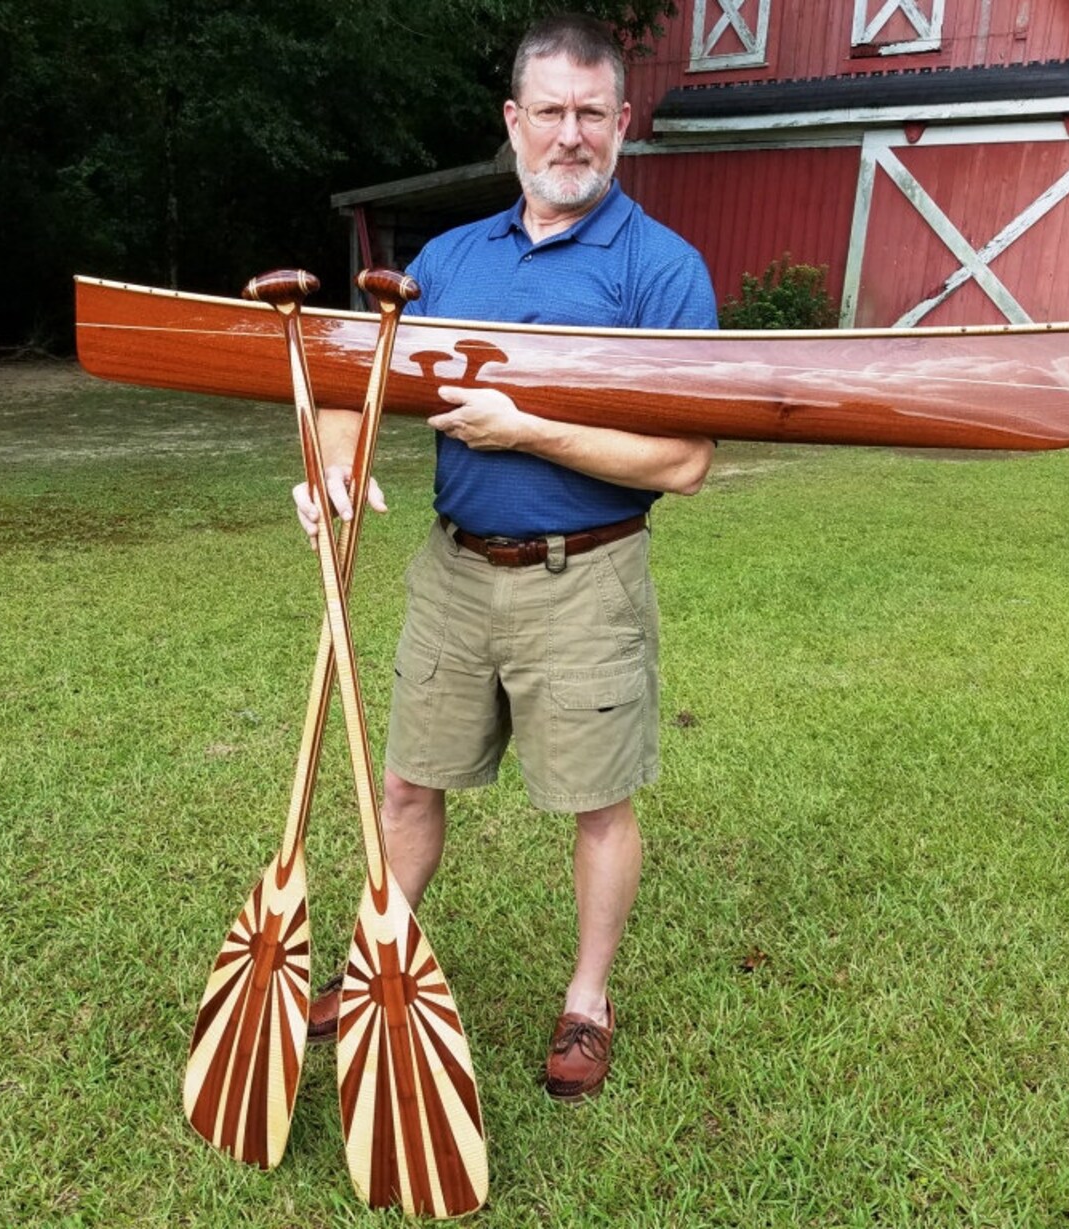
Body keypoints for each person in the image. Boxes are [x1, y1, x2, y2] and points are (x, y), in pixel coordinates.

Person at [293, 12, 717, 1103]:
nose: (570, 135)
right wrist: (331, 464)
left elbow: (683, 460)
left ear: (622, 122)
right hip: (453, 571)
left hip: (587, 578)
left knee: (598, 803)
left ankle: (587, 1001)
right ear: (514, 121)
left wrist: (529, 430)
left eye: (592, 113)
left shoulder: (662, 270)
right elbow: (351, 376)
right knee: (403, 784)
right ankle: (373, 958)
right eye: (551, 112)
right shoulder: (447, 260)